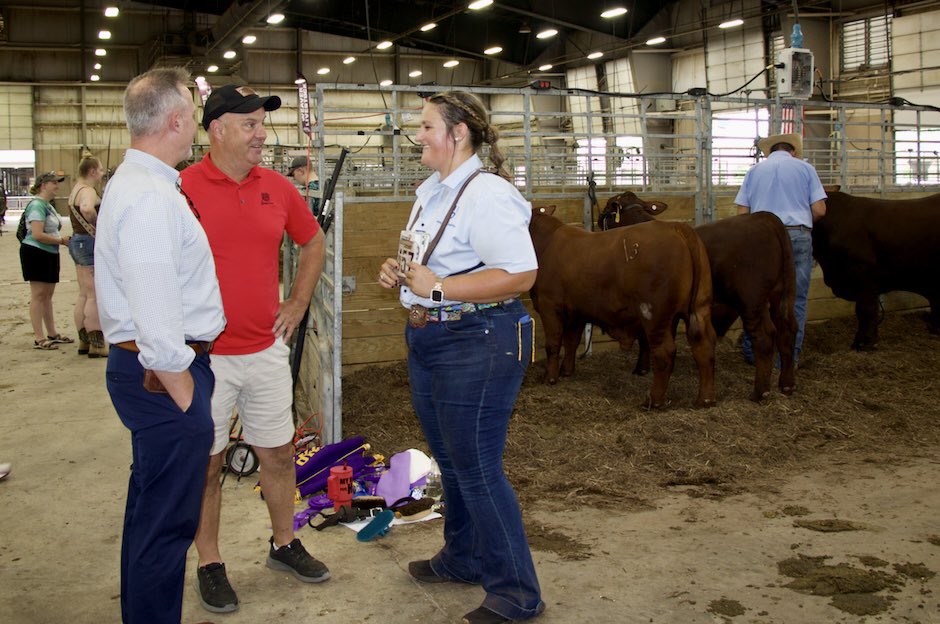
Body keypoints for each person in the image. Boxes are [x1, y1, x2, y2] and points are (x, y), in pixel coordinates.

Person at [378, 91, 545, 624]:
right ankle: (464, 556)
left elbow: (521, 273)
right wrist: (401, 274)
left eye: (426, 125)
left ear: (458, 133)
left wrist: (441, 288)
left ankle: (517, 592)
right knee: (451, 460)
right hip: (435, 337)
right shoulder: (433, 190)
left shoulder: (487, 193)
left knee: (476, 468)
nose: (418, 135)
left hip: (479, 337)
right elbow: (427, 263)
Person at [180, 83, 328, 614]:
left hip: (265, 348)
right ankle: (210, 562)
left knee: (280, 454)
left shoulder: (278, 187)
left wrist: (298, 299)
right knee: (207, 465)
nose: (261, 134)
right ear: (217, 129)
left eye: (262, 124)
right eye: (250, 124)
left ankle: (284, 542)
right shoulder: (183, 187)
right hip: (204, 357)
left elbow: (312, 241)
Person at [95, 67, 226, 624]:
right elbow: (153, 308)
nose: (194, 126)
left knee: (150, 514)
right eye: (193, 117)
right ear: (175, 120)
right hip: (162, 375)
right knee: (168, 526)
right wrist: (181, 388)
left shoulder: (144, 184)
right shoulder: (150, 195)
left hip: (152, 371)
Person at [736, 132, 827, 364]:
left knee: (758, 297)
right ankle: (787, 357)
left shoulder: (754, 171)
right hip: (797, 233)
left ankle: (753, 353)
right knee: (795, 298)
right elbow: (819, 210)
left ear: (770, 152)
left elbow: (742, 213)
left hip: (762, 237)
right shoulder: (806, 169)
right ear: (793, 151)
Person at [19, 171, 73, 350]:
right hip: (36, 252)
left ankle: (51, 332)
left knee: (48, 295)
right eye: (54, 183)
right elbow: (37, 234)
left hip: (49, 252)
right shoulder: (37, 206)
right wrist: (61, 241)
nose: (57, 186)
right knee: (38, 295)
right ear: (43, 185)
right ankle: (39, 337)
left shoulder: (47, 205)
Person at [68, 156, 107, 357]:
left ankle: (84, 340)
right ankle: (97, 342)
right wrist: (97, 222)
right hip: (88, 241)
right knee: (93, 294)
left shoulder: (75, 188)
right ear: (92, 171)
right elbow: (86, 208)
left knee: (84, 293)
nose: (101, 174)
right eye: (100, 170)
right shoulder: (88, 191)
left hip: (77, 241)